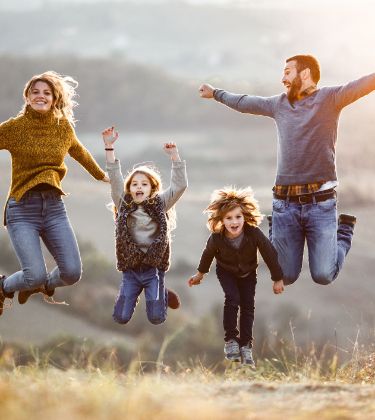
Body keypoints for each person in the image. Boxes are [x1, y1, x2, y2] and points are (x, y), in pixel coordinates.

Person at [198, 54, 375, 286]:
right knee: (286, 275)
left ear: (305, 73)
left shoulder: (330, 99)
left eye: (288, 72)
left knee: (323, 275)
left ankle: (344, 231)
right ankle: (276, 226)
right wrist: (216, 93)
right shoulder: (279, 104)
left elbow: (362, 85)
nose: (283, 78)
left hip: (320, 204)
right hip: (285, 204)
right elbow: (244, 103)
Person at [0, 71, 108, 315]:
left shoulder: (63, 128)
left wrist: (103, 177)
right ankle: (4, 286)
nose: (40, 96)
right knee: (34, 273)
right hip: (22, 209)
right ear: (26, 97)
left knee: (71, 273)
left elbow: (81, 153)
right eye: (35, 92)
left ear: (54, 98)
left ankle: (41, 285)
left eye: (46, 93)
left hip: (54, 209)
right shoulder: (15, 128)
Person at [188, 186, 284, 367]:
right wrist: (200, 274)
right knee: (232, 299)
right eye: (229, 218)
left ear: (244, 217)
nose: (234, 222)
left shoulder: (253, 233)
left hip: (248, 273)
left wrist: (277, 278)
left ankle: (246, 345)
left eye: (238, 217)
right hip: (226, 272)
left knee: (248, 306)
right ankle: (231, 340)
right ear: (221, 220)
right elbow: (207, 255)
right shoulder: (216, 238)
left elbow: (269, 253)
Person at [102, 127, 187, 325]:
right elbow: (115, 180)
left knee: (156, 318)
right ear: (129, 189)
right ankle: (158, 292)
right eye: (134, 184)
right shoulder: (122, 203)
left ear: (153, 188)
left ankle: (160, 291)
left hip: (153, 269)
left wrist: (175, 156)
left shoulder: (161, 203)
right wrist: (109, 147)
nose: (139, 187)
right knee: (121, 317)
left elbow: (179, 186)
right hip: (130, 269)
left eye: (144, 184)